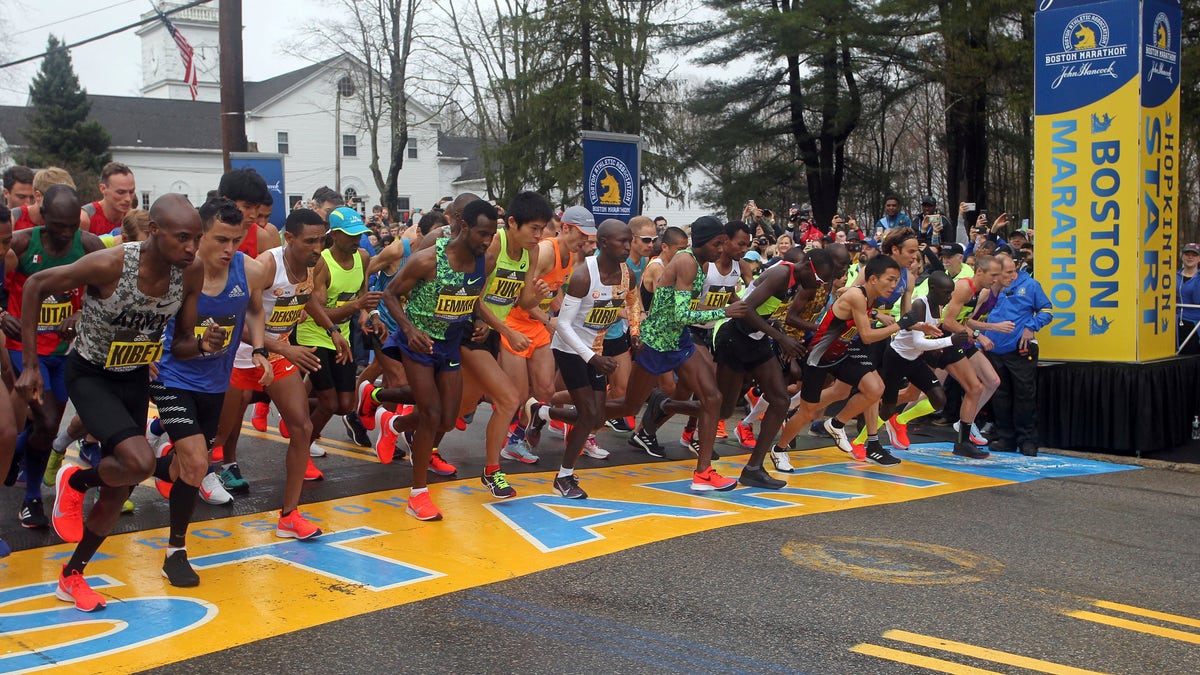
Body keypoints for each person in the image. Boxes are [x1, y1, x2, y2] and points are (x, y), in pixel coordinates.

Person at [18, 194, 214, 612]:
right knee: (140, 462)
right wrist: (31, 366)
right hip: (90, 374)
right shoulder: (112, 264)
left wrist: (200, 343)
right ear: (155, 231)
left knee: (120, 485)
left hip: (134, 376)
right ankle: (76, 480)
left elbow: (179, 344)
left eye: (197, 238)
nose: (192, 249)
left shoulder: (190, 272)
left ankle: (72, 574)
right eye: (182, 238)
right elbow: (35, 284)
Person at [563, 216, 749, 491]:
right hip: (657, 343)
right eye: (717, 244)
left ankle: (704, 473)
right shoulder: (686, 262)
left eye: (723, 244)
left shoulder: (703, 262)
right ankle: (547, 413)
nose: (722, 249)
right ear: (703, 242)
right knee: (628, 406)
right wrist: (726, 312)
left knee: (713, 398)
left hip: (679, 341)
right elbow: (682, 313)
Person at [148, 197, 271, 586]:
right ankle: (176, 553)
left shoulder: (247, 270)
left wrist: (261, 348)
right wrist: (146, 348)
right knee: (199, 464)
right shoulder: (176, 270)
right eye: (220, 239)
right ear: (200, 235)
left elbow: (254, 310)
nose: (229, 249)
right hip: (172, 375)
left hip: (216, 381)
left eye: (236, 240)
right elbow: (145, 309)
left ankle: (115, 469)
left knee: (190, 465)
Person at [214, 208, 351, 531]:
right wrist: (281, 346)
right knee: (215, 437)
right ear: (289, 238)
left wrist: (331, 328)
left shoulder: (308, 264)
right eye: (310, 242)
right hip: (239, 356)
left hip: (275, 355)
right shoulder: (265, 266)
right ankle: (170, 464)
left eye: (322, 240)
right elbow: (232, 322)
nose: (318, 249)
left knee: (302, 428)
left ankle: (289, 515)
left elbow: (304, 297)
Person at [370, 199, 498, 521]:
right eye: (482, 233)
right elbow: (390, 293)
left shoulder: (484, 263)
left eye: (491, 235)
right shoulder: (428, 259)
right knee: (429, 414)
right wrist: (409, 329)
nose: (487, 241)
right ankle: (418, 495)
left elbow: (470, 298)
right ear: (464, 227)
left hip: (450, 345)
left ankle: (391, 422)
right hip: (419, 344)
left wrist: (478, 322)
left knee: (446, 419)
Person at [2, 186, 105, 531]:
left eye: (70, 227)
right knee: (46, 424)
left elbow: (103, 292)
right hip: (24, 349)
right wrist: (2, 314)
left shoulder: (88, 246)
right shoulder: (19, 243)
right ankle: (32, 498)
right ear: (43, 217)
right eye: (58, 225)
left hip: (62, 353)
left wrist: (79, 318)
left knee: (43, 427)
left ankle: (14, 452)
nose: (64, 234)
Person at [773, 255, 939, 466]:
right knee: (808, 411)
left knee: (875, 388)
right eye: (890, 280)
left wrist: (917, 326)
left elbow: (872, 323)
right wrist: (901, 324)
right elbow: (868, 335)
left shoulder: (870, 298)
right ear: (872, 280)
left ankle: (836, 423)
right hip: (819, 355)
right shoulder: (857, 296)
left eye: (897, 281)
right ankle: (779, 449)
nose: (894, 286)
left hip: (844, 351)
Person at [524, 219, 640, 498]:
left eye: (629, 241)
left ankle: (542, 413)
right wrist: (591, 358)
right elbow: (562, 325)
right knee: (588, 414)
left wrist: (635, 332)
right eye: (621, 242)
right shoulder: (583, 276)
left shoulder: (628, 274)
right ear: (602, 244)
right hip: (570, 349)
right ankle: (563, 477)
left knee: (597, 418)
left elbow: (633, 302)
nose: (628, 247)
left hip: (596, 349)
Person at [716, 247, 839, 487]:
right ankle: (666, 404)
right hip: (735, 338)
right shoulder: (780, 275)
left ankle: (753, 468)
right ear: (807, 266)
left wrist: (781, 342)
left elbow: (772, 314)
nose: (820, 285)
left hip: (759, 340)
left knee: (781, 400)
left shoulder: (799, 283)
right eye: (819, 279)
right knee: (723, 410)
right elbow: (745, 309)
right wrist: (781, 338)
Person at [295, 207, 381, 458]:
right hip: (314, 334)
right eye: (351, 235)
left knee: (344, 405)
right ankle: (302, 445)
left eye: (360, 234)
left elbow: (362, 292)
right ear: (334, 235)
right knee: (330, 402)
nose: (357, 240)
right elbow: (316, 311)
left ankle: (296, 410)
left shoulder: (363, 256)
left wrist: (368, 315)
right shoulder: (322, 262)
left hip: (340, 336)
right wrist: (355, 307)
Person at [878, 272, 982, 458]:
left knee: (938, 399)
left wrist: (936, 347)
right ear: (932, 289)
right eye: (946, 293)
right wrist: (951, 341)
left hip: (915, 358)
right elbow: (918, 342)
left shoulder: (939, 305)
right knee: (887, 408)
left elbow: (924, 340)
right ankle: (860, 440)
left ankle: (900, 420)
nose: (949, 297)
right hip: (896, 357)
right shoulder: (920, 304)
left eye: (951, 293)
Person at [981, 252, 1052, 456]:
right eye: (1008, 272)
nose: (1013, 275)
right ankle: (1006, 438)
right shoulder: (990, 288)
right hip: (993, 349)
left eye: (1015, 270)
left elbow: (1047, 310)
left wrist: (1031, 327)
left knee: (1024, 397)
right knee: (1000, 397)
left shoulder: (1030, 285)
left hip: (1019, 350)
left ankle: (1027, 440)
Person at [602, 216, 656, 433]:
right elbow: (595, 301)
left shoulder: (642, 262)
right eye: (646, 240)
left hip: (615, 332)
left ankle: (590, 424)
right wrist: (628, 314)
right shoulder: (605, 259)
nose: (651, 245)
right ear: (631, 239)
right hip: (591, 331)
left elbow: (634, 296)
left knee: (622, 388)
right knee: (557, 388)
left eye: (653, 240)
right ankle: (548, 411)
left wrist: (640, 314)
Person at [82, 163, 136, 237]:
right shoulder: (85, 218)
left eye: (131, 192)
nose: (128, 198)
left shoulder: (134, 220)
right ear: (103, 189)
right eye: (121, 192)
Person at [1177, 243, 1200, 354]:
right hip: (1174, 324)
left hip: (1195, 325)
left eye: (1194, 255)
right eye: (1187, 254)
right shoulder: (1173, 276)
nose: (1190, 257)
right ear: (1182, 256)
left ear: (1199, 258)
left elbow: (1197, 299)